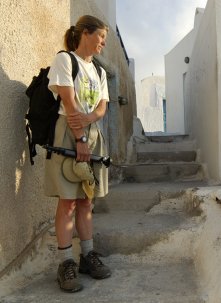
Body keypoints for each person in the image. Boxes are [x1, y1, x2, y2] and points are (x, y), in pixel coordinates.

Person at [46, 15, 111, 292]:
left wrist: (87, 124)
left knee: (86, 200)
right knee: (68, 201)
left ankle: (87, 256)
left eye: (106, 40)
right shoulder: (65, 60)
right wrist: (80, 136)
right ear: (86, 33)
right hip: (69, 135)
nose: (103, 44)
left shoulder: (99, 71)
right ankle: (65, 263)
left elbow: (102, 108)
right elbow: (69, 103)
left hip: (91, 134)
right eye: (101, 38)